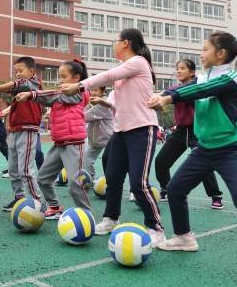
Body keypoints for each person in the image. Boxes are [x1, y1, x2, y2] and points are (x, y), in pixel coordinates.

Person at [147, 31, 237, 284]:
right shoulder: (201, 76)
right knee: (175, 189)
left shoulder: (231, 78)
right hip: (203, 149)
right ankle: (184, 237)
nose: (201, 53)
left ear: (220, 54)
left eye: (205, 49)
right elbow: (186, 87)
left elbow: (200, 90)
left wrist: (168, 98)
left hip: (229, 150)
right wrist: (163, 94)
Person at [60, 29, 164, 245]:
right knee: (113, 177)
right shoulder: (124, 74)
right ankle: (110, 218)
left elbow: (107, 76)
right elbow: (117, 102)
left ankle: (155, 228)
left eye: (115, 41)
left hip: (142, 129)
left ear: (125, 43)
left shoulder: (139, 62)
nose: (113, 45)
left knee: (138, 183)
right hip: (121, 132)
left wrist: (79, 85)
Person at [15, 59, 91, 219]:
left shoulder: (79, 93)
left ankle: (86, 215)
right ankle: (55, 207)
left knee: (74, 183)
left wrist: (31, 94)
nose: (60, 80)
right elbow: (50, 98)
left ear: (77, 78)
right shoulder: (60, 94)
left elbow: (52, 96)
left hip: (74, 144)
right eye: (59, 77)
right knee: (43, 178)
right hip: (59, 144)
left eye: (64, 76)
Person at [154, 59, 224, 209]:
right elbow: (170, 93)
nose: (178, 71)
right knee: (161, 162)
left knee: (203, 164)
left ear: (192, 72)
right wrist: (157, 96)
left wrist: (165, 95)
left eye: (182, 68)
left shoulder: (198, 85)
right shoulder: (176, 88)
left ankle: (215, 195)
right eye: (177, 68)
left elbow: (178, 93)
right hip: (179, 131)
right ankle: (165, 189)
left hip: (197, 130)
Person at [0, 57, 43, 211]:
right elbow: (13, 93)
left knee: (25, 170)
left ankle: (38, 203)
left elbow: (17, 85)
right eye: (16, 71)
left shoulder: (34, 83)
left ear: (32, 72)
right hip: (14, 130)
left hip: (27, 130)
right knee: (13, 169)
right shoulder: (19, 89)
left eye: (21, 70)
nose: (18, 74)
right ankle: (19, 198)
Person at [82, 86, 113, 179]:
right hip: (96, 138)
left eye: (96, 90)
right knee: (86, 157)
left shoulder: (103, 105)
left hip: (107, 138)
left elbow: (85, 117)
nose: (92, 92)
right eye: (91, 90)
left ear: (102, 91)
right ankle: (89, 177)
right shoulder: (93, 103)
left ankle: (91, 178)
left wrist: (86, 104)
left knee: (108, 160)